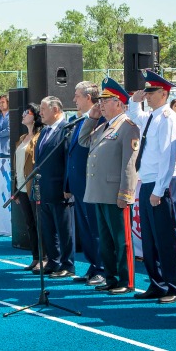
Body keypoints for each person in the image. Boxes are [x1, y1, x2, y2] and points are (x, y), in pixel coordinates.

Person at [128, 70, 176, 304]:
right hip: (148, 181)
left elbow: (168, 156)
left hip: (162, 183)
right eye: (147, 91)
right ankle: (157, 283)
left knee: (167, 239)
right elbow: (135, 114)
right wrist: (135, 100)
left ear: (164, 93)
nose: (148, 95)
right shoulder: (151, 116)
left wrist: (159, 190)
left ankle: (174, 286)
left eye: (151, 92)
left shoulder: (168, 118)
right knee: (150, 238)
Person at [78, 78, 140, 295]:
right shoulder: (104, 125)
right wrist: (92, 118)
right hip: (100, 193)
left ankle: (126, 280)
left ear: (119, 103)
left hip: (116, 194)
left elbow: (129, 165)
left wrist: (126, 193)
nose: (101, 105)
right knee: (106, 241)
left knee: (121, 240)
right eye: (101, 102)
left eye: (106, 101)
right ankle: (111, 277)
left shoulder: (127, 127)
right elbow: (83, 141)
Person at [65, 81, 106, 286]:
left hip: (92, 182)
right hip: (79, 183)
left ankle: (102, 267)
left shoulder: (100, 119)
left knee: (95, 227)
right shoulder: (77, 120)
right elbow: (71, 154)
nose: (74, 100)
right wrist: (68, 184)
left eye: (77, 95)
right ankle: (93, 265)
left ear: (88, 97)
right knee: (86, 228)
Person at [33, 96, 73, 278]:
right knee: (48, 229)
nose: (40, 113)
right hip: (43, 188)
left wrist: (67, 187)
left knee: (64, 229)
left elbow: (68, 161)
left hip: (59, 189)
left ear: (55, 110)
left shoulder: (66, 130)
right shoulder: (44, 132)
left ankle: (67, 264)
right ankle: (54, 261)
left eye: (43, 109)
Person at [12, 102, 44, 271]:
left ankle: (44, 257)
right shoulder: (22, 138)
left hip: (34, 187)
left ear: (35, 116)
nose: (23, 115)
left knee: (39, 223)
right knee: (30, 224)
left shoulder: (40, 137)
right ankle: (35, 257)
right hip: (21, 187)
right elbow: (16, 166)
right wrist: (15, 190)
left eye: (27, 112)